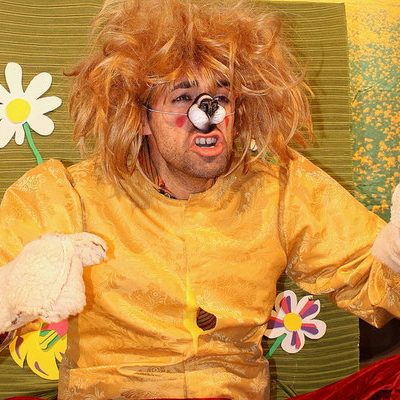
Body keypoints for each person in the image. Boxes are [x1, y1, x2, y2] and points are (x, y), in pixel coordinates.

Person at [0, 0, 399, 399]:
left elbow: (372, 280)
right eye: (183, 97)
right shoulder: (67, 194)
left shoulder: (282, 188)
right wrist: (12, 296)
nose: (208, 116)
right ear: (140, 117)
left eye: (221, 97)